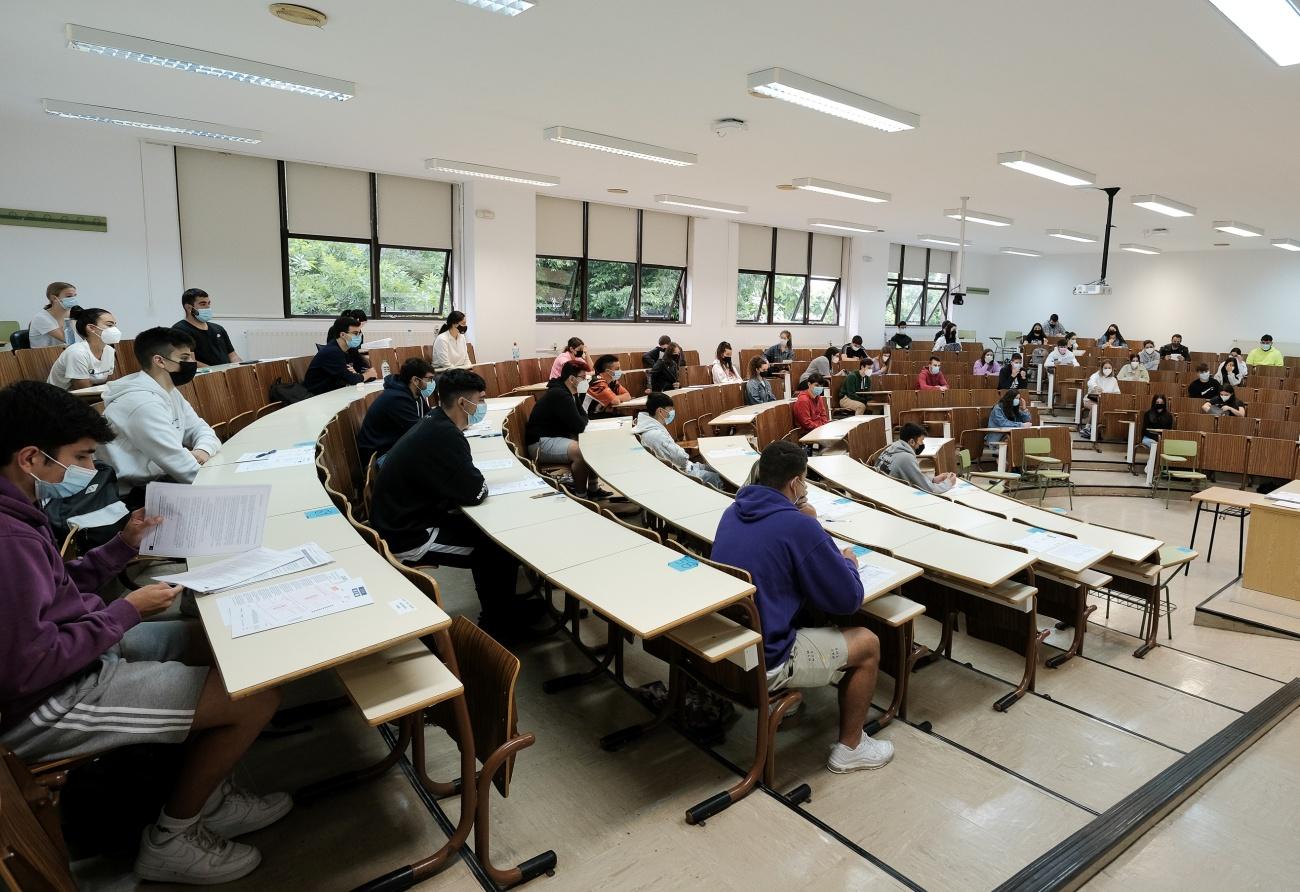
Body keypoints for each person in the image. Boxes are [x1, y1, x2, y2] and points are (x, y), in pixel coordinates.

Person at [0, 381, 288, 885]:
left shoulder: (19, 506)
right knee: (254, 697)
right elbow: (29, 665)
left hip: (75, 649)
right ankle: (172, 840)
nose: (89, 471)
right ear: (31, 458)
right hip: (43, 701)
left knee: (217, 646)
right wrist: (126, 611)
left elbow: (58, 590)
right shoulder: (8, 537)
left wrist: (123, 545)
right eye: (82, 458)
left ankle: (210, 793)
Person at [712, 441, 893, 773]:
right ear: (796, 483)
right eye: (805, 481)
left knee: (805, 611)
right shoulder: (799, 525)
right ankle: (851, 747)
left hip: (731, 648)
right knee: (868, 643)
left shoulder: (732, 511)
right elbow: (847, 599)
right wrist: (847, 561)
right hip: (767, 659)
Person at [369, 369, 536, 640]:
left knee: (494, 538)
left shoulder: (435, 422)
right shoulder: (444, 436)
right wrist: (471, 480)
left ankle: (504, 610)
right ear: (462, 403)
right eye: (480, 400)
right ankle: (497, 625)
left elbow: (465, 483)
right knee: (496, 551)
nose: (483, 405)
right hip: (408, 535)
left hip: (417, 515)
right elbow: (475, 492)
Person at [101, 328, 221, 498]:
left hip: (160, 479)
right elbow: (182, 467)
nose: (192, 363)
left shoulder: (168, 390)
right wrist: (226, 488)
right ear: (159, 361)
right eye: (184, 358)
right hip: (132, 494)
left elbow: (202, 429)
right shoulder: (141, 403)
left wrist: (203, 450)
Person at [525, 361, 612, 500]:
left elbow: (583, 416)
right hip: (540, 443)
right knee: (580, 452)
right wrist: (581, 420)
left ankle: (593, 489)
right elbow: (579, 425)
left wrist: (581, 420)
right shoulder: (559, 394)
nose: (586, 381)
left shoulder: (571, 391)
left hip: (555, 437)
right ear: (572, 379)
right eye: (583, 378)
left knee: (592, 444)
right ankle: (582, 496)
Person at [355, 357, 436, 467]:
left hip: (394, 446)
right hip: (380, 455)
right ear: (415, 380)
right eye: (429, 379)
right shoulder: (397, 399)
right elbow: (419, 432)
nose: (431, 383)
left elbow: (429, 417)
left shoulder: (414, 392)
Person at [633, 393, 724, 488]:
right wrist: (682, 453)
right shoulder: (655, 434)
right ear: (660, 411)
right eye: (670, 409)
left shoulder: (651, 427)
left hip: (686, 466)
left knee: (717, 468)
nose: (672, 412)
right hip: (681, 472)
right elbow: (682, 459)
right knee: (716, 477)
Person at [47, 307, 119, 390]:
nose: (115, 329)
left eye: (115, 325)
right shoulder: (77, 352)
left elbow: (109, 385)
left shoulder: (109, 351)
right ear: (91, 328)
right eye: (110, 325)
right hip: (61, 399)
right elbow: (83, 391)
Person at [304, 315, 377, 395]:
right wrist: (365, 375)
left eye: (359, 333)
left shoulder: (351, 350)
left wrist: (362, 375)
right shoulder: (332, 352)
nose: (359, 336)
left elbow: (370, 374)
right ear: (342, 335)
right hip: (318, 395)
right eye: (355, 333)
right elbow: (352, 379)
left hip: (337, 390)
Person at [875, 422, 956, 494]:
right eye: (921, 441)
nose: (922, 444)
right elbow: (929, 490)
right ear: (911, 442)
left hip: (882, 491)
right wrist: (948, 483)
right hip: (891, 496)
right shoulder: (906, 458)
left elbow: (915, 476)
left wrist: (933, 480)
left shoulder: (891, 448)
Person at [173, 288, 240, 367]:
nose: (208, 307)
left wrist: (240, 367)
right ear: (189, 307)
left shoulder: (218, 329)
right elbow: (190, 361)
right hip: (205, 376)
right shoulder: (179, 330)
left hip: (226, 373)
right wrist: (216, 371)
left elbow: (233, 355)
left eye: (209, 303)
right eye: (203, 304)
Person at [28, 282, 79, 348]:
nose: (73, 299)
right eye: (69, 296)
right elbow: (70, 340)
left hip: (64, 353)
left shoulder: (71, 313)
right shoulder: (41, 318)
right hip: (44, 356)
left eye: (75, 296)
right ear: (54, 298)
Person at [1079, 360, 1120, 438]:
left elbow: (1117, 392)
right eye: (1105, 368)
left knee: (1104, 408)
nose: (1107, 369)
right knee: (1096, 407)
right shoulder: (1096, 375)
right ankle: (1088, 427)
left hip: (1105, 402)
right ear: (1101, 368)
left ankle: (1100, 430)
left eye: (1109, 368)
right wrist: (1095, 387)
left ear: (1112, 369)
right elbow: (1090, 382)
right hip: (1091, 399)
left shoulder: (1113, 380)